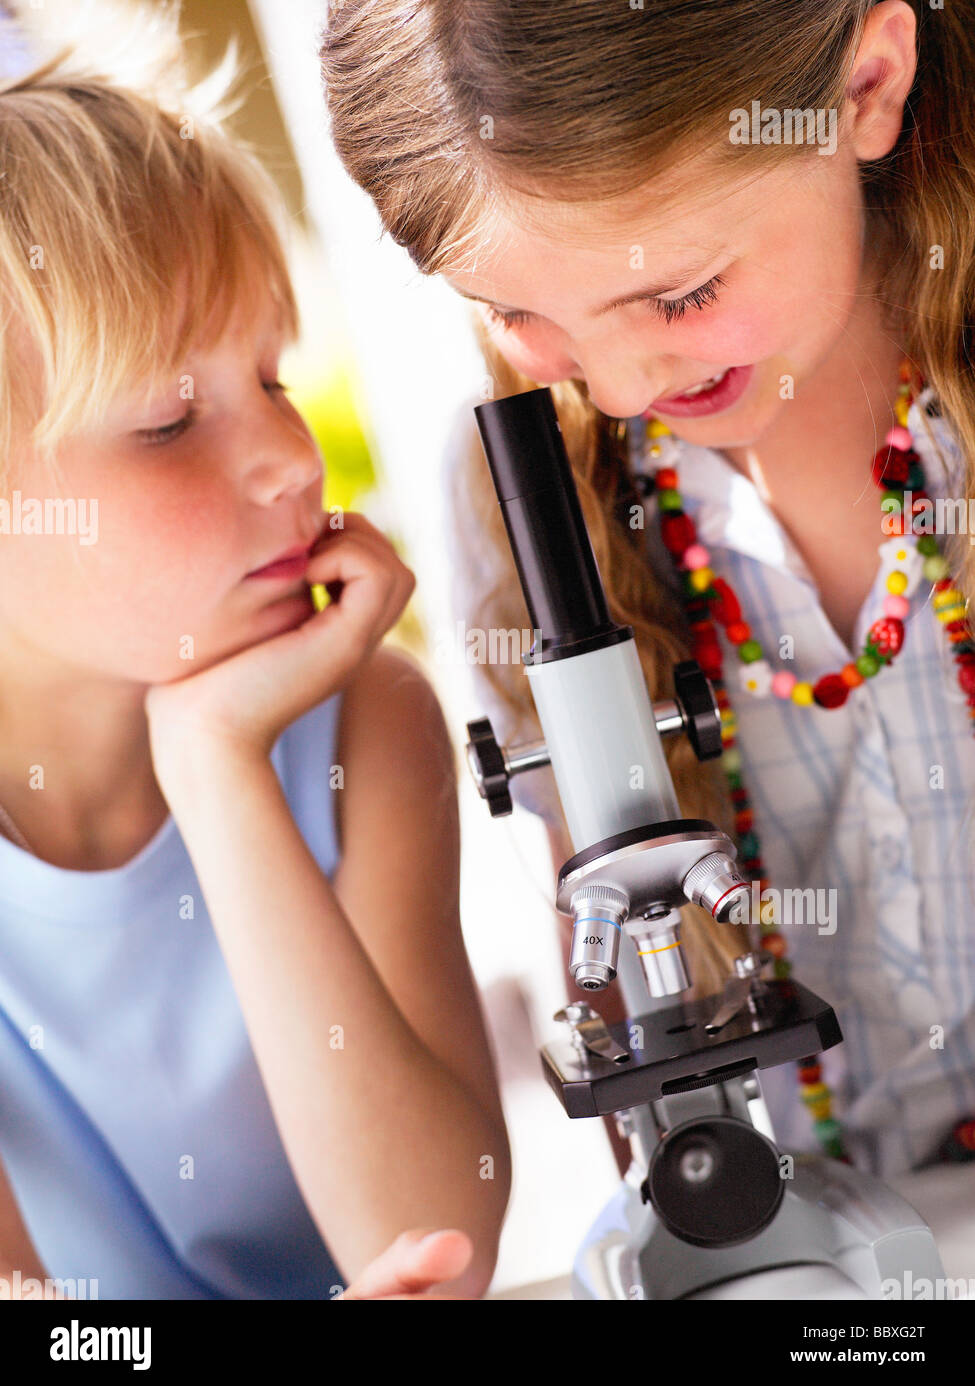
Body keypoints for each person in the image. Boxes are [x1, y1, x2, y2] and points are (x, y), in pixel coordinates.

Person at [320, 0, 975, 1182]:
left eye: (681, 298)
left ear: (866, 86)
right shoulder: (532, 500)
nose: (619, 391)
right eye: (518, 314)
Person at [0, 4, 510, 1301]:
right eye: (171, 419)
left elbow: (437, 1246)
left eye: (274, 378)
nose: (291, 456)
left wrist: (218, 767)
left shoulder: (362, 730)